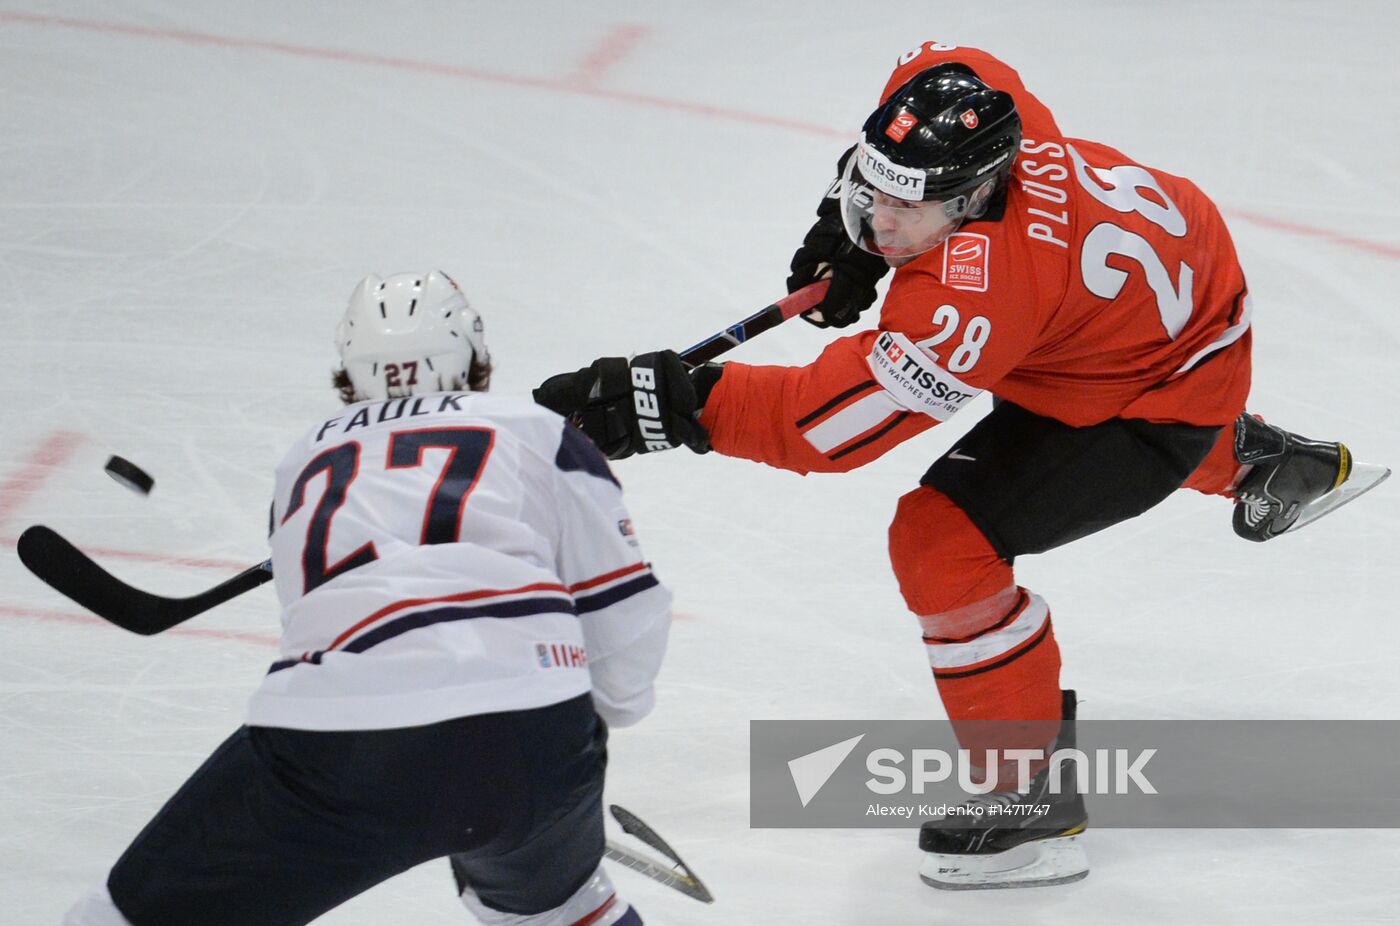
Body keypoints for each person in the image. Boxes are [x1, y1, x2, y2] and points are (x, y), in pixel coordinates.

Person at [533, 43, 1389, 890]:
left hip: (1155, 378)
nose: (883, 222)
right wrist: (850, 230)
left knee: (941, 542)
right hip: (1149, 306)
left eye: (907, 209)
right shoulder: (986, 112)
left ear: (977, 194)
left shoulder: (969, 304)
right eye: (874, 189)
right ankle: (1258, 459)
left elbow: (825, 430)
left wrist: (667, 403)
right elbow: (940, 58)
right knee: (1059, 357)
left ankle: (1028, 806)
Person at [65, 270, 667, 925]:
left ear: (350, 373)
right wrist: (575, 736)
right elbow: (625, 619)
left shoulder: (305, 461)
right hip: (532, 740)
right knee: (568, 910)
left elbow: (323, 621)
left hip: (343, 748)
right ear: (475, 354)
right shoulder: (539, 433)